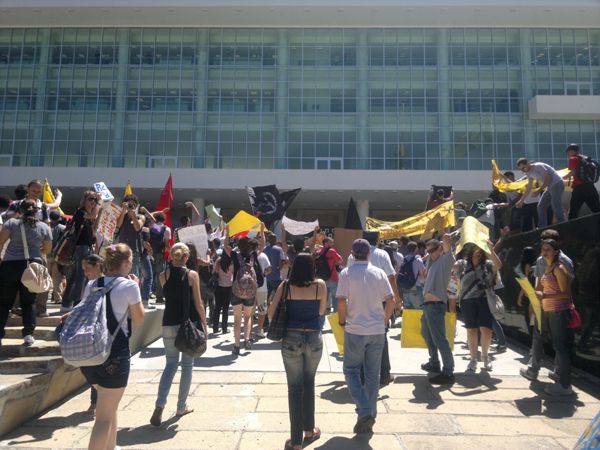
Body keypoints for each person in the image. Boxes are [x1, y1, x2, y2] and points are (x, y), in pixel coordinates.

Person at [79, 244, 145, 450]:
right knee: (103, 417)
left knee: (109, 407)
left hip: (90, 354)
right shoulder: (129, 286)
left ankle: (111, 447)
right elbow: (139, 319)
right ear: (125, 263)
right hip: (114, 355)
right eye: (131, 262)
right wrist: (138, 290)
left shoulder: (92, 284)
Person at [336, 239, 395, 434]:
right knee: (373, 375)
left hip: (355, 329)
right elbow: (391, 299)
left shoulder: (346, 273)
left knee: (351, 371)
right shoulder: (378, 273)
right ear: (369, 253)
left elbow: (342, 302)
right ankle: (371, 414)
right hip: (377, 330)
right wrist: (385, 320)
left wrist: (342, 321)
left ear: (352, 254)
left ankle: (364, 410)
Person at [268, 253, 327, 450]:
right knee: (309, 383)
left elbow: (270, 313)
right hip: (313, 338)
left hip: (291, 338)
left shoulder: (285, 286)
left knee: (294, 388)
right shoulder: (320, 285)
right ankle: (309, 430)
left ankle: (296, 441)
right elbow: (321, 312)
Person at [150, 243, 208, 426]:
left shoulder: (163, 275)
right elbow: (198, 304)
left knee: (170, 366)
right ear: (186, 257)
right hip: (187, 324)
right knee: (187, 366)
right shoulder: (192, 275)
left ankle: (160, 404)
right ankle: (181, 406)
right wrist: (205, 324)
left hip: (168, 323)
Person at [521, 239, 574, 396]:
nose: (544, 252)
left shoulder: (559, 268)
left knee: (561, 347)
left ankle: (565, 385)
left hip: (559, 311)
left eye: (548, 250)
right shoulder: (548, 267)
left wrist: (544, 294)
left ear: (556, 251)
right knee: (557, 345)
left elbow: (565, 293)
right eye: (543, 249)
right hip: (549, 311)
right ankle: (561, 380)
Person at [0, 199, 52, 347]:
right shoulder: (44, 227)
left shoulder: (11, 223)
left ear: (20, 210)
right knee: (29, 302)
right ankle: (28, 334)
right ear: (37, 210)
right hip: (33, 266)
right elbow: (47, 250)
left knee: (4, 303)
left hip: (10, 265)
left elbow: (0, 242)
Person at [454, 242, 502, 372]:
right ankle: (473, 359)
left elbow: (498, 265)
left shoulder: (488, 264)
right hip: (467, 300)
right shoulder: (463, 264)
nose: (478, 253)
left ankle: (485, 357)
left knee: (486, 329)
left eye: (480, 251)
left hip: (484, 300)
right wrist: (455, 248)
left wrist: (490, 249)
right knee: (471, 330)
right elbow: (450, 266)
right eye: (475, 251)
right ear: (470, 252)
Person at [221, 227, 264, 355]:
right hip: (250, 290)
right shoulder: (253, 255)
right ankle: (247, 339)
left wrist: (228, 231)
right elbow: (262, 245)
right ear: (250, 246)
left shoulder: (234, 255)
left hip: (236, 290)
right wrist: (261, 230)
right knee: (248, 316)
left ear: (238, 246)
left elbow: (225, 245)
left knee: (237, 319)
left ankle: (236, 345)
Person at [420, 234, 456, 385]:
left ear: (440, 249)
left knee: (440, 339)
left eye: (434, 249)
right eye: (429, 250)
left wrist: (446, 239)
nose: (431, 252)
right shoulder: (432, 262)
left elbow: (449, 251)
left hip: (435, 306)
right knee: (427, 334)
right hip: (428, 306)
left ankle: (448, 372)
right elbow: (425, 258)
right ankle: (434, 363)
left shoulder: (444, 261)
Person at [61, 191, 101, 312]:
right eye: (90, 199)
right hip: (81, 248)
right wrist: (99, 201)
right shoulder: (81, 212)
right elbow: (92, 216)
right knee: (81, 277)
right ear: (84, 199)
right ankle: (77, 304)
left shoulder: (88, 214)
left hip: (85, 247)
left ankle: (66, 304)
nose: (93, 201)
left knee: (74, 277)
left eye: (94, 199)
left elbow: (94, 229)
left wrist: (101, 211)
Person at [81, 253, 105, 417]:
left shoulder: (111, 282)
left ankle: (96, 402)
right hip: (91, 328)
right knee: (89, 366)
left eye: (87, 268)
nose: (85, 272)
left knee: (98, 366)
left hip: (105, 329)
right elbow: (83, 305)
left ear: (98, 266)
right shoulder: (89, 284)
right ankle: (97, 398)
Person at [515, 158, 565, 227]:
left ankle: (562, 224)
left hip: (557, 184)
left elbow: (548, 179)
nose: (523, 170)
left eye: (524, 167)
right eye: (521, 169)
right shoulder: (528, 173)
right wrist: (521, 200)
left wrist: (538, 191)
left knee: (555, 205)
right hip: (549, 187)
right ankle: (542, 227)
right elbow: (529, 186)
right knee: (541, 206)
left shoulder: (538, 166)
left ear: (528, 163)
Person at [564, 143, 600, 219]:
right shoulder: (585, 158)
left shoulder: (573, 158)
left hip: (579, 188)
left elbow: (573, 172)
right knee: (597, 210)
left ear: (572, 151)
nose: (567, 154)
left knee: (573, 212)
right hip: (590, 187)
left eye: (568, 152)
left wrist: (564, 177)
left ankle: (571, 229)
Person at [147, 211, 171, 304]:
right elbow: (166, 244)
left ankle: (145, 295)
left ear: (155, 219)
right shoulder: (166, 229)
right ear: (164, 219)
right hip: (160, 254)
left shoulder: (151, 227)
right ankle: (159, 297)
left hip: (149, 253)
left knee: (147, 275)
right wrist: (170, 253)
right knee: (160, 275)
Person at [314, 237, 343, 312]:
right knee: (335, 296)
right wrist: (333, 262)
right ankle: (336, 313)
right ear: (326, 243)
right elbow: (340, 260)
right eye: (331, 242)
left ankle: (325, 310)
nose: (333, 244)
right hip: (332, 276)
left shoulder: (320, 251)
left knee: (325, 296)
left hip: (322, 277)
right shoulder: (332, 251)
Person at [253, 239, 272, 338]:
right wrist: (263, 274)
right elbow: (269, 269)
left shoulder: (246, 257)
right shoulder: (263, 256)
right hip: (262, 287)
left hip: (249, 289)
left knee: (250, 312)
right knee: (262, 309)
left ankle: (248, 332)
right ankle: (260, 330)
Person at [213, 246, 233, 334]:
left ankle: (215, 327)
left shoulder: (219, 261)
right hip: (228, 287)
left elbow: (214, 271)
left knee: (217, 308)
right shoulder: (232, 263)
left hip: (219, 287)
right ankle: (224, 328)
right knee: (225, 309)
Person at [400, 241, 427, 310]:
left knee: (409, 312)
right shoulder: (418, 260)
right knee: (419, 311)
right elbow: (422, 275)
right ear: (416, 249)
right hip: (416, 288)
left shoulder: (404, 259)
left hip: (405, 289)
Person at [263, 232, 286, 302]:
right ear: (275, 239)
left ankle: (267, 311)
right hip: (276, 277)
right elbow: (282, 261)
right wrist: (279, 268)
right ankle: (277, 311)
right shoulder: (279, 249)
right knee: (279, 297)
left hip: (267, 277)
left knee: (267, 297)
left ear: (268, 240)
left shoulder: (264, 249)